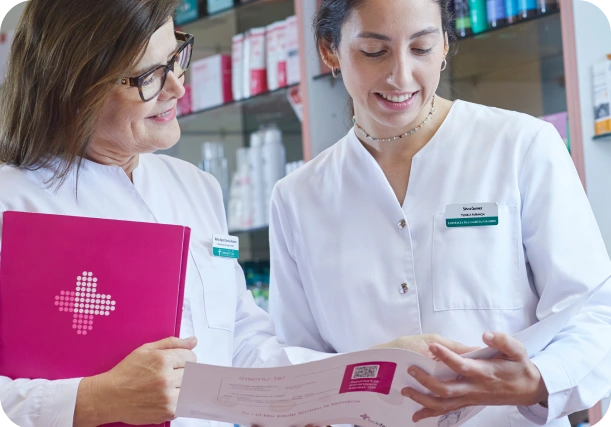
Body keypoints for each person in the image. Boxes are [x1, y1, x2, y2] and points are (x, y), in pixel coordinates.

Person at [0, 1, 476, 426]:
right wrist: (95, 399)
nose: (177, 87)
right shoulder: (13, 203)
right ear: (75, 84)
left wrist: (371, 368)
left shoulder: (193, 188)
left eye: (175, 59)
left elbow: (244, 345)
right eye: (148, 77)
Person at [267, 0, 611, 426]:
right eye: (374, 51)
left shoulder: (521, 146)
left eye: (422, 48)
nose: (401, 76)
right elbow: (294, 361)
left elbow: (593, 310)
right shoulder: (298, 197)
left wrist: (538, 380)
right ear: (329, 50)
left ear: (445, 45)